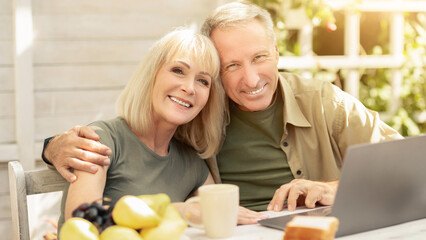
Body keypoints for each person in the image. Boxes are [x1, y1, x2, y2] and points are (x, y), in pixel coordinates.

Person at [43, 2, 402, 216]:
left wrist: (335, 188)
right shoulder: (192, 119)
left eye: (259, 57)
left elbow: (408, 166)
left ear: (277, 53)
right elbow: (85, 213)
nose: (250, 79)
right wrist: (52, 145)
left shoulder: (324, 102)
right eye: (231, 66)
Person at [55, 28, 264, 232]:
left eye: (203, 81)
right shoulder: (100, 140)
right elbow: (82, 223)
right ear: (151, 75)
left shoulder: (191, 161)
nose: (190, 88)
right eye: (178, 71)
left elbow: (214, 217)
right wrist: (176, 210)